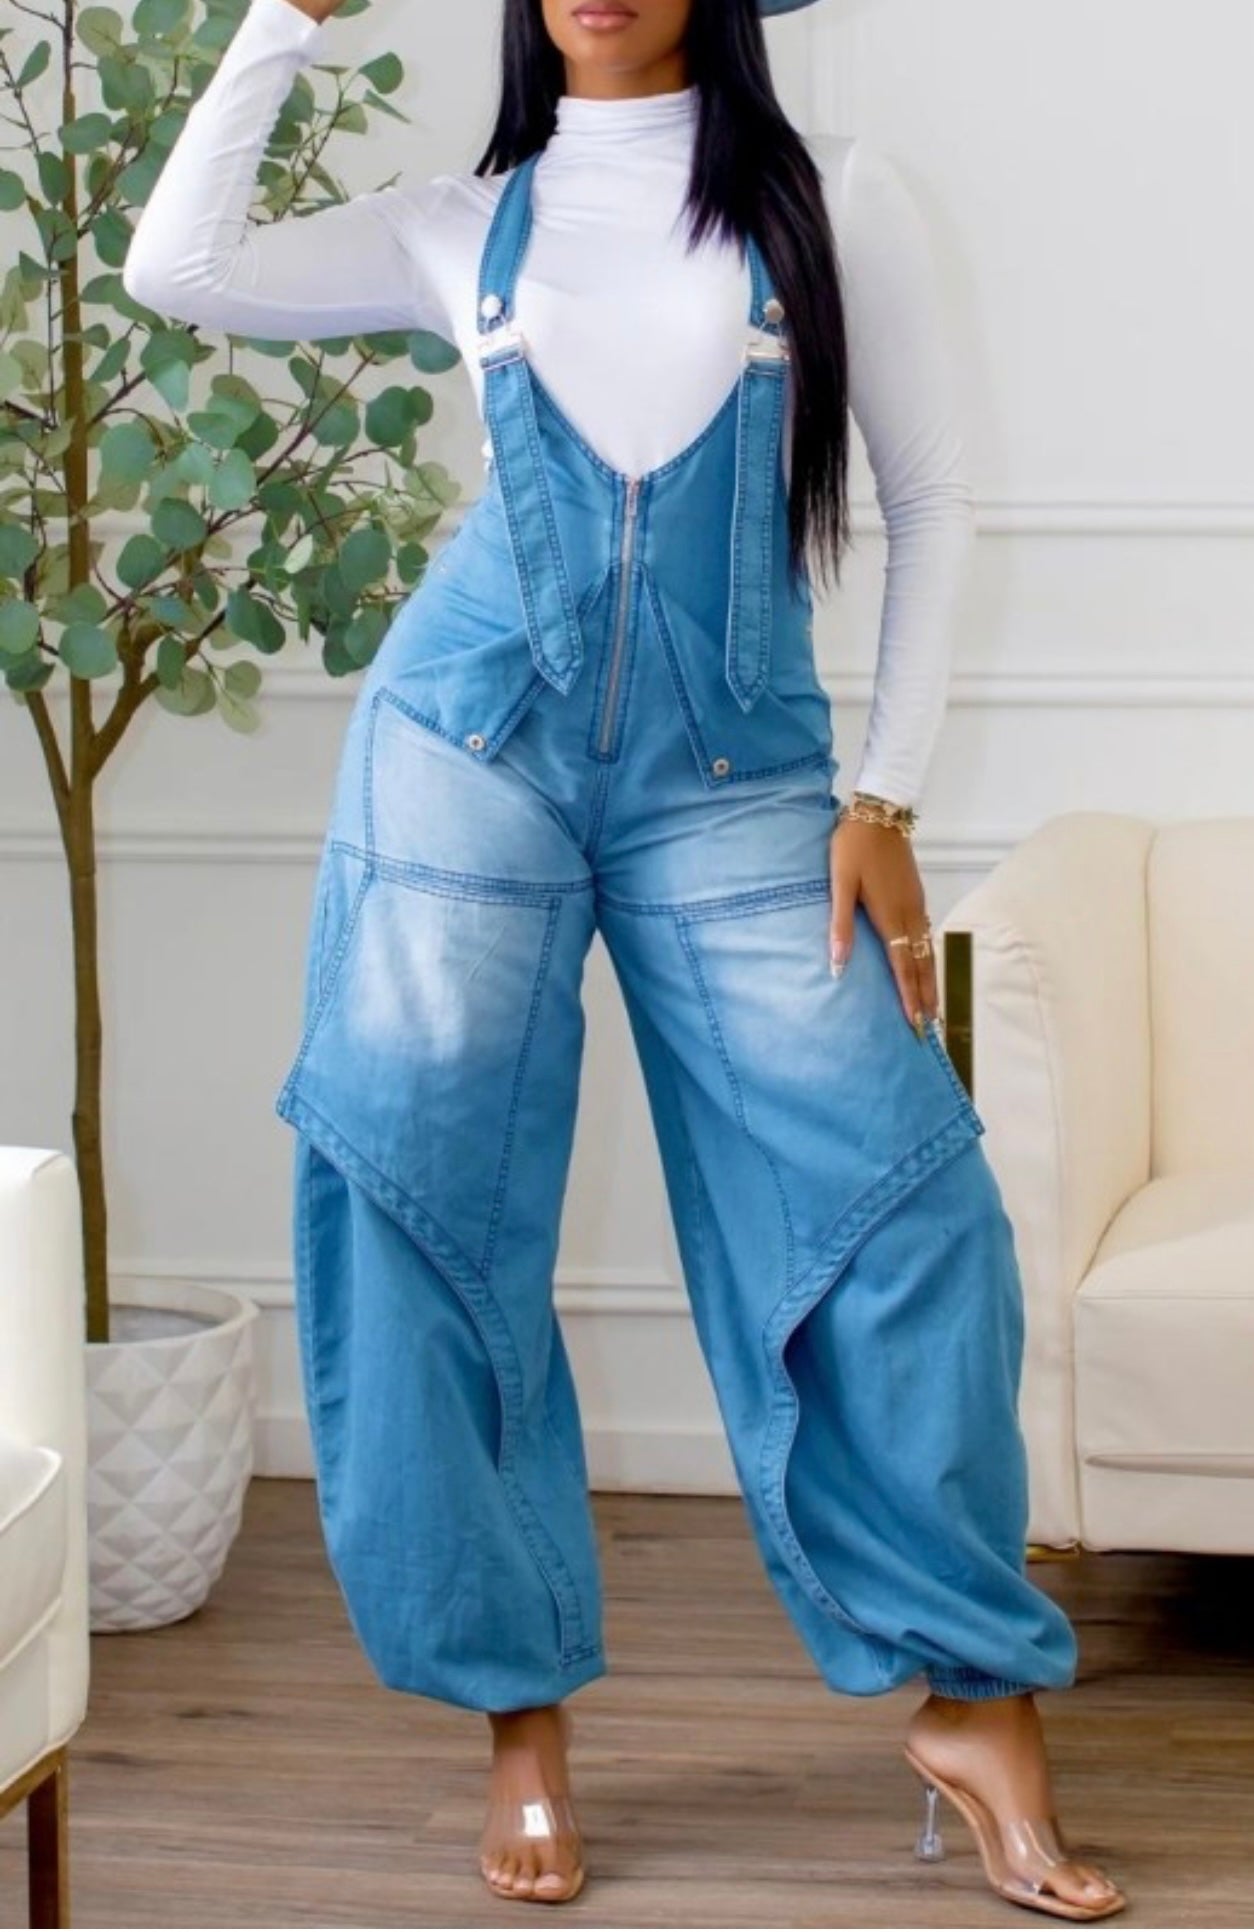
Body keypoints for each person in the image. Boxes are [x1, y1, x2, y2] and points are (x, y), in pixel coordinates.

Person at [123, 0, 1128, 1916]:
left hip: (737, 779)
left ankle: (975, 1695)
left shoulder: (835, 201)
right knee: (427, 1198)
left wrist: (886, 798)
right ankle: (517, 1717)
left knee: (904, 1208)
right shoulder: (459, 220)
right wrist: (280, 24)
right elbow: (183, 270)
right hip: (464, 749)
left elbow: (933, 499)